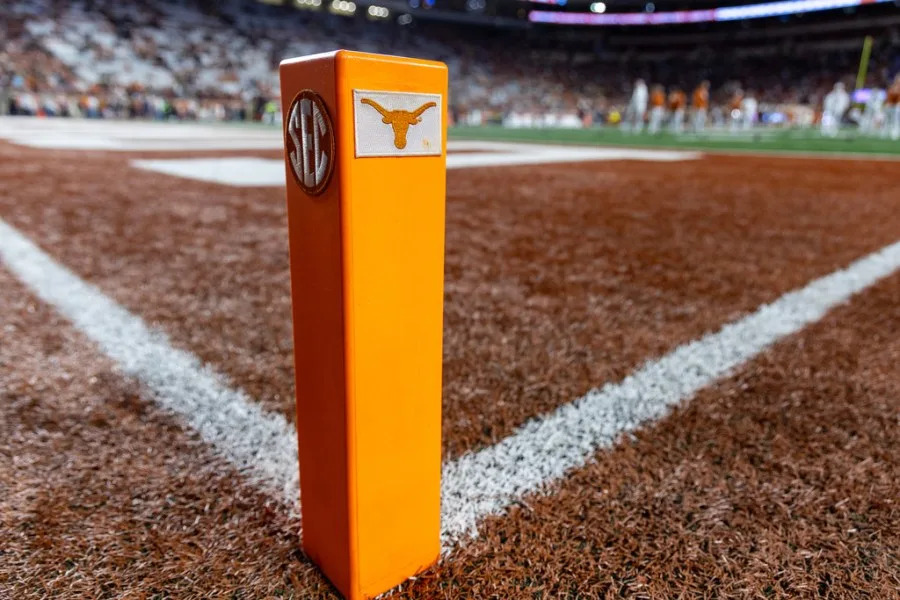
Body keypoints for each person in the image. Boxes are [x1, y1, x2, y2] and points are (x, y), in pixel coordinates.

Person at [885, 74, 900, 140]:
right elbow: (889, 98)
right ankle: (887, 131)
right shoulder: (892, 87)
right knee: (889, 118)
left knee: (896, 117)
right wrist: (889, 104)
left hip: (897, 106)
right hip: (892, 106)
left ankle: (895, 132)